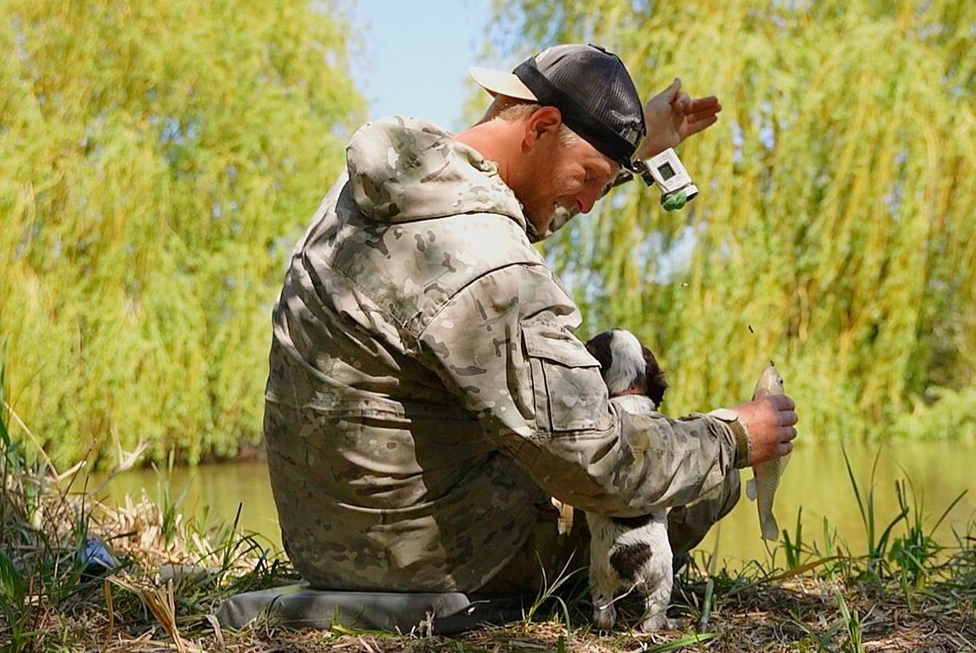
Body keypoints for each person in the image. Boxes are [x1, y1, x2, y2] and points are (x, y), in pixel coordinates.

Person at [261, 44, 798, 597]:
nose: (588, 204)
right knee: (701, 483)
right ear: (540, 125)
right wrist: (731, 437)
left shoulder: (387, 187)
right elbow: (598, 460)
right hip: (423, 559)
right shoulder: (488, 266)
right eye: (589, 176)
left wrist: (631, 153)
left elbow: (507, 216)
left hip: (328, 537)